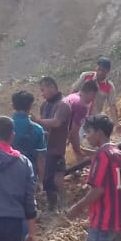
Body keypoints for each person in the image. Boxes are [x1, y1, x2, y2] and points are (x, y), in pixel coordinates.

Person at [33, 76, 71, 212]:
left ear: (52, 87)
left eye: (43, 90)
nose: (42, 93)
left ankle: (59, 208)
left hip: (56, 149)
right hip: (45, 148)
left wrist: (37, 121)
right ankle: (57, 207)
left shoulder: (63, 105)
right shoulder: (46, 105)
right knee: (49, 179)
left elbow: (56, 123)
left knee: (55, 180)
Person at [10, 90, 47, 194]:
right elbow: (41, 158)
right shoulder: (37, 129)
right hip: (28, 175)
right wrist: (40, 181)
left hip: (6, 175)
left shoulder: (4, 126)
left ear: (13, 105)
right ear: (30, 107)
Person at [65, 80, 98, 162]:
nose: (93, 99)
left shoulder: (72, 97)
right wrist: (79, 152)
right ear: (91, 93)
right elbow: (74, 133)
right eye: (94, 96)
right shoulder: (81, 106)